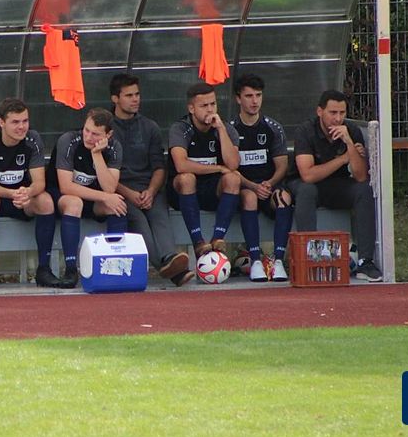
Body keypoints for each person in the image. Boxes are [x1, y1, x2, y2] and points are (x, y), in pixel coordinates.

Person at [109, 74, 193, 287]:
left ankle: (169, 258)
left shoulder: (150, 127)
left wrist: (151, 191)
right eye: (129, 95)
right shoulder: (107, 129)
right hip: (120, 190)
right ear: (115, 99)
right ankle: (169, 267)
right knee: (139, 221)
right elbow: (105, 174)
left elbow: (159, 167)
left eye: (137, 94)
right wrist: (130, 194)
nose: (135, 99)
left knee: (159, 216)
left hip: (150, 189)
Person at [290, 90, 382, 282]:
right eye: (332, 113)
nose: (338, 118)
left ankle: (366, 261)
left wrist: (349, 143)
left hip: (337, 184)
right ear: (320, 111)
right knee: (306, 190)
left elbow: (361, 176)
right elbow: (307, 175)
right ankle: (310, 260)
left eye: (342, 113)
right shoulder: (305, 131)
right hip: (307, 185)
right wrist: (343, 159)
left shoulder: (351, 130)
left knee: (364, 189)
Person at [0, 98, 56, 289]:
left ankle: (44, 269)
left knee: (45, 201)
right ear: (1, 122)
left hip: (21, 198)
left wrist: (28, 192)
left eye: (25, 121)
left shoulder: (33, 139)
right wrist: (12, 194)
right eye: (15, 122)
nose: (21, 127)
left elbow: (40, 182)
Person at [46, 107, 128, 289]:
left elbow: (110, 188)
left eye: (96, 134)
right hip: (60, 196)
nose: (89, 137)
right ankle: (70, 269)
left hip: (92, 197)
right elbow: (66, 186)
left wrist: (97, 155)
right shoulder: (69, 141)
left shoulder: (114, 147)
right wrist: (105, 197)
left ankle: (115, 264)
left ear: (108, 135)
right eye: (86, 130)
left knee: (117, 205)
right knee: (75, 203)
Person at [228, 74, 292, 282]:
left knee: (284, 197)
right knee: (249, 197)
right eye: (249, 96)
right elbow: (228, 168)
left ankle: (278, 261)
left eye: (258, 95)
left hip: (268, 187)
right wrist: (253, 186)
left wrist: (269, 183)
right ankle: (255, 260)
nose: (254, 101)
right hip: (244, 188)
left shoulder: (273, 127)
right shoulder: (230, 129)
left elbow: (282, 165)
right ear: (238, 99)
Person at [167, 82, 241, 259]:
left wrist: (221, 129)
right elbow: (181, 165)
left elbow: (233, 164)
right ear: (191, 108)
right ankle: (198, 242)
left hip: (212, 188)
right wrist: (218, 168)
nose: (210, 109)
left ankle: (218, 238)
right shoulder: (180, 128)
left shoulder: (225, 128)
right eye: (204, 105)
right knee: (187, 178)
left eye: (213, 104)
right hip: (182, 192)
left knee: (233, 179)